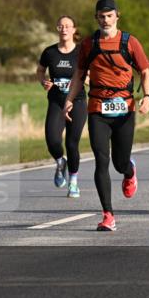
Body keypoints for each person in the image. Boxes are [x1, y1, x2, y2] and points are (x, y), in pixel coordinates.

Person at [64, 0, 149, 232]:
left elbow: (145, 72)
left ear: (117, 16)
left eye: (109, 16)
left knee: (119, 162)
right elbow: (79, 74)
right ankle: (108, 215)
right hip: (97, 109)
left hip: (124, 109)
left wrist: (148, 96)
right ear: (96, 18)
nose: (105, 20)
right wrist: (69, 100)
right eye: (101, 16)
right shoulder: (88, 44)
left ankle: (129, 170)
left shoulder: (129, 42)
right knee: (101, 160)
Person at [37, 16, 86, 197]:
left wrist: (87, 80)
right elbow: (40, 70)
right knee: (52, 140)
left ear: (74, 30)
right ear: (57, 29)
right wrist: (43, 81)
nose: (64, 29)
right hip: (56, 101)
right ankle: (60, 162)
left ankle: (73, 182)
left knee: (72, 144)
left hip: (77, 102)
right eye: (61, 26)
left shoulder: (81, 53)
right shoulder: (49, 52)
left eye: (68, 26)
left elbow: (91, 73)